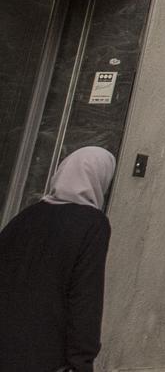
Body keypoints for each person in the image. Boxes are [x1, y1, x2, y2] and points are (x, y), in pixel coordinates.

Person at [0, 146, 113, 372]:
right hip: (44, 353)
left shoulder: (26, 216)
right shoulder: (92, 224)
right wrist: (81, 361)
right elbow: (85, 296)